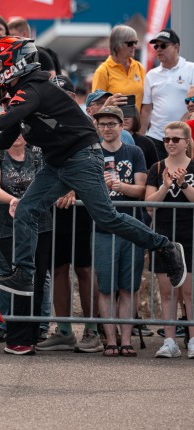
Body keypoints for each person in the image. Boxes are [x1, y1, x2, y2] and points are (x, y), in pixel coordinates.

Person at [0, 35, 187, 300]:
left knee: (107, 217)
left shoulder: (32, 89)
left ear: (15, 63)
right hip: (58, 162)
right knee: (26, 209)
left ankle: (165, 247)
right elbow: (3, 139)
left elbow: (0, 123)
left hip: (81, 158)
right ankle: (24, 274)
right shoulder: (24, 94)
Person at [36, 76, 102, 354]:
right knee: (58, 268)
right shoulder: (43, 121)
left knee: (84, 268)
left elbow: (90, 162)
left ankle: (92, 330)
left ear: (73, 97)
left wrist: (72, 188)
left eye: (63, 94)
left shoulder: (83, 122)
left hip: (81, 206)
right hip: (54, 207)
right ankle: (64, 331)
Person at [0, 134, 50, 355]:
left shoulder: (38, 151)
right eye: (11, 130)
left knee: (38, 278)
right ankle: (16, 339)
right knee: (19, 278)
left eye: (20, 130)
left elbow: (48, 181)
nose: (16, 135)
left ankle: (32, 336)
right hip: (8, 225)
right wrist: (14, 201)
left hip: (41, 223)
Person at [93, 105, 147, 358]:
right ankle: (111, 340)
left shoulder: (134, 151)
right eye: (102, 124)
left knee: (128, 287)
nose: (106, 128)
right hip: (103, 227)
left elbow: (141, 189)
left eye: (111, 124)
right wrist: (102, 187)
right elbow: (85, 188)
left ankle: (126, 340)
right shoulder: (92, 153)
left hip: (131, 227)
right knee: (106, 287)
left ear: (121, 125)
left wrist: (120, 186)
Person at [145, 121, 194, 359]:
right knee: (167, 292)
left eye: (175, 139)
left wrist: (183, 184)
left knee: (189, 292)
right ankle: (169, 340)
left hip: (190, 234)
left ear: (187, 142)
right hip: (164, 234)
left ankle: (192, 340)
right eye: (166, 139)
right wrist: (165, 187)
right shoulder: (156, 168)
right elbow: (149, 204)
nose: (170, 143)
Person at [141, 29, 194, 160]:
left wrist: (183, 122)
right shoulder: (151, 75)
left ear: (176, 47)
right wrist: (141, 137)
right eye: (156, 46)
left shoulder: (191, 69)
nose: (159, 49)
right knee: (157, 172)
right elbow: (146, 109)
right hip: (156, 137)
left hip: (184, 137)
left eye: (163, 46)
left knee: (183, 172)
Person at [91, 25, 145, 109]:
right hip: (112, 117)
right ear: (117, 45)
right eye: (130, 43)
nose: (134, 46)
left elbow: (145, 102)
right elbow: (95, 106)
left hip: (136, 118)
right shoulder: (103, 71)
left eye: (135, 42)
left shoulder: (139, 67)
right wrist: (108, 105)